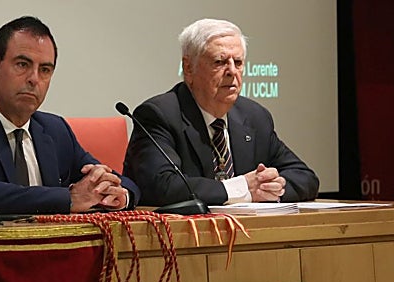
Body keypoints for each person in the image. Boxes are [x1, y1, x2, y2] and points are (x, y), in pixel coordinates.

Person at [0, 16, 138, 215]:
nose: (34, 79)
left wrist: (118, 194)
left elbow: (122, 182)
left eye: (45, 70)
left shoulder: (55, 130)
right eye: (22, 65)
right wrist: (68, 199)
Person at [124, 18, 318, 206]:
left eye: (239, 62)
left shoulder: (254, 116)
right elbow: (161, 186)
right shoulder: (159, 115)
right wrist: (241, 189)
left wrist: (275, 187)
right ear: (189, 68)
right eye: (219, 62)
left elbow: (305, 177)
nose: (232, 71)